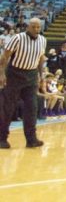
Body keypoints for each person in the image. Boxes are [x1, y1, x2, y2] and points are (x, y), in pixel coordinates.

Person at [0, 18, 47, 149]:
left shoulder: (43, 40)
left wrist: (41, 76)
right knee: (7, 108)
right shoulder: (17, 38)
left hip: (31, 76)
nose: (36, 29)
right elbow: (5, 57)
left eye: (38, 27)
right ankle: (2, 138)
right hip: (14, 74)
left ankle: (31, 140)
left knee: (32, 108)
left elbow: (40, 60)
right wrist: (1, 74)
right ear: (28, 27)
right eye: (34, 27)